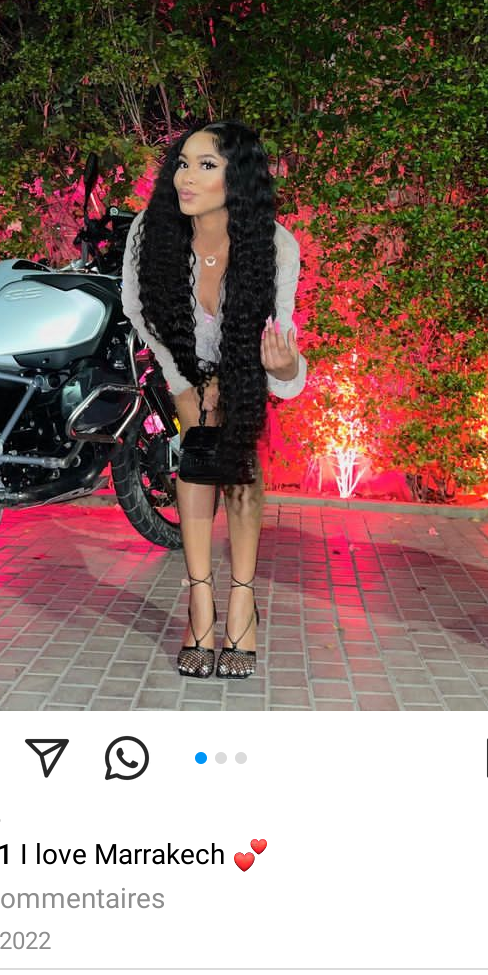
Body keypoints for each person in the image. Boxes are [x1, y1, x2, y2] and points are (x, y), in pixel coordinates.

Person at [121, 119, 307, 680]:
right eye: (183, 163)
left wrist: (282, 368)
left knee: (238, 464)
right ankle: (199, 603)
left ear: (239, 178)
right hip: (181, 360)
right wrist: (183, 384)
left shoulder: (276, 246)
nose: (187, 177)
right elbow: (139, 311)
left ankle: (243, 603)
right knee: (195, 459)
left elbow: (280, 343)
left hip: (243, 368)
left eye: (206, 165)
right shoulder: (149, 230)